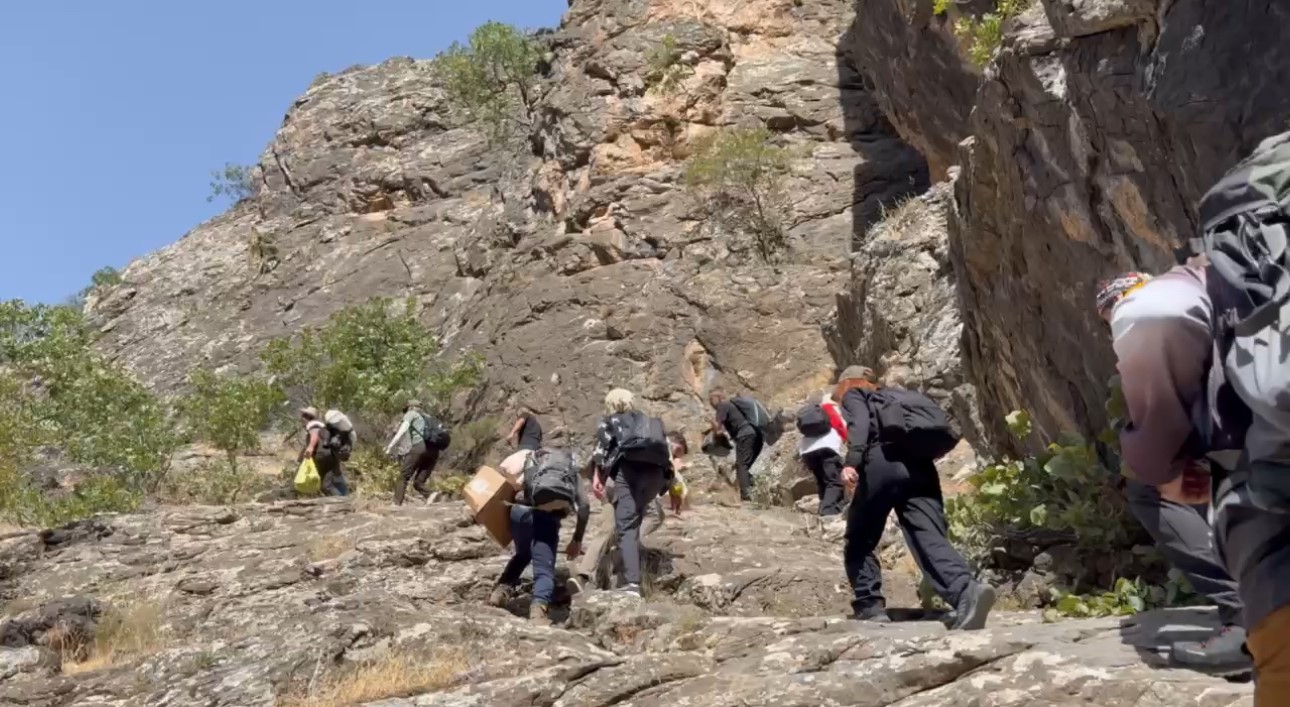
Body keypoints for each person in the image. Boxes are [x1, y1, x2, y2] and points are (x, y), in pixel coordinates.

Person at [1096, 269, 1250, 674]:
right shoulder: (1211, 279)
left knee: (1153, 488)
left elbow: (1158, 431)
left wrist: (1163, 471)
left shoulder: (1143, 311)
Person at [835, 367, 995, 629]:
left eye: (839, 391)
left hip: (881, 462)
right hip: (920, 467)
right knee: (928, 536)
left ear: (850, 382)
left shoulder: (856, 394)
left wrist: (851, 462)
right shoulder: (902, 397)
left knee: (861, 537)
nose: (839, 397)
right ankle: (967, 592)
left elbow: (860, 425)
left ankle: (869, 606)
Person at [579, 388, 672, 598]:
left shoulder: (610, 420)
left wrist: (598, 479)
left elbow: (600, 454)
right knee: (635, 520)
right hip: (655, 476)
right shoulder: (648, 422)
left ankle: (631, 584)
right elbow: (666, 452)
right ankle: (621, 574)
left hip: (629, 472)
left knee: (626, 526)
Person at [487, 448, 590, 624]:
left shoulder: (531, 462)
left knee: (522, 555)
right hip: (546, 519)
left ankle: (499, 593)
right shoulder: (571, 471)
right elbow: (585, 507)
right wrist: (577, 538)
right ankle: (538, 613)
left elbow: (507, 481)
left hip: (519, 513)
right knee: (544, 570)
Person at [798, 392, 848, 517]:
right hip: (826, 447)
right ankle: (828, 512)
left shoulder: (813, 414)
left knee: (822, 482)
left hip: (807, 449)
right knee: (834, 482)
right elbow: (841, 427)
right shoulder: (832, 409)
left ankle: (824, 508)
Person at [384, 400, 440, 506]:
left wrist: (390, 447)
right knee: (418, 483)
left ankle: (396, 504)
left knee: (403, 476)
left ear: (411, 407)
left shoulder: (411, 414)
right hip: (434, 451)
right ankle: (431, 494)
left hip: (420, 446)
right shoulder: (429, 417)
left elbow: (402, 430)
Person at [709, 391, 762, 502]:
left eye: (711, 400)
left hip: (745, 435)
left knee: (742, 465)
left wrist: (712, 425)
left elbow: (719, 431)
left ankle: (746, 497)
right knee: (745, 465)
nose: (711, 403)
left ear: (718, 397)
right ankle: (758, 488)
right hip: (756, 435)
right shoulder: (731, 406)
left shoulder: (723, 405)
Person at [298, 407, 346, 496]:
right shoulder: (322, 426)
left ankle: (341, 503)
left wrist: (310, 447)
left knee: (322, 484)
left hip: (323, 456)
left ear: (305, 417)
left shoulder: (313, 425)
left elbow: (315, 434)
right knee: (329, 484)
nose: (301, 419)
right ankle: (343, 501)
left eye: (302, 417)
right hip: (332, 456)